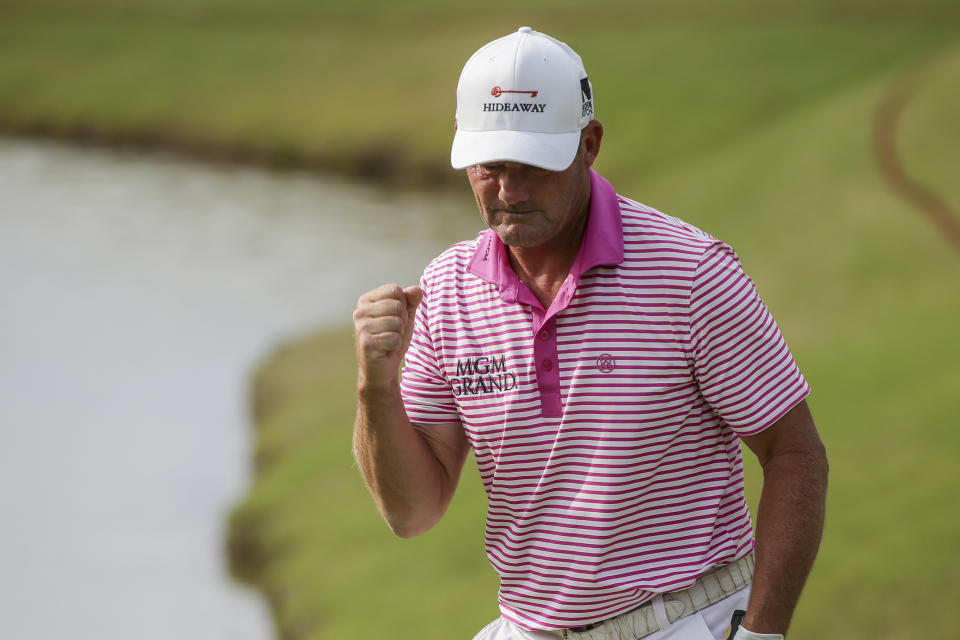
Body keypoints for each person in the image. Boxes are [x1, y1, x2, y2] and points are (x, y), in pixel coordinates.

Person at [352, 27, 828, 640]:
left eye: (534, 167)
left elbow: (795, 454)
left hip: (686, 621)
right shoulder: (448, 288)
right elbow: (412, 512)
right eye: (491, 168)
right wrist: (375, 388)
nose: (509, 193)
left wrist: (762, 634)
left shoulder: (690, 272)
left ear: (590, 143)